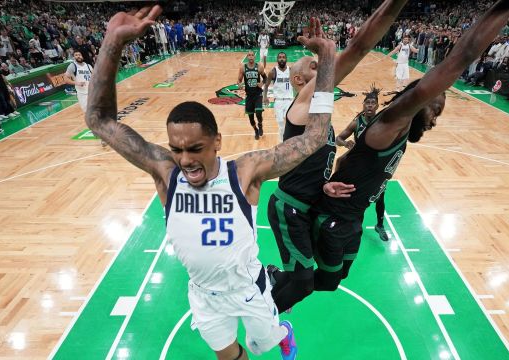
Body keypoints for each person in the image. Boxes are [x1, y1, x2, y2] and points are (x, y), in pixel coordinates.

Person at [85, 6, 336, 360]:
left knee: (263, 343)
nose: (185, 159)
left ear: (217, 141)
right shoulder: (167, 173)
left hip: (249, 289)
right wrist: (112, 43)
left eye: (195, 149)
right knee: (230, 356)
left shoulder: (244, 172)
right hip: (204, 296)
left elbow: (313, 138)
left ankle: (282, 330)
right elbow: (98, 119)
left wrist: (327, 58)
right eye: (177, 149)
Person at [309, 0, 509, 294]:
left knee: (338, 278)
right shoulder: (395, 119)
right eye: (435, 108)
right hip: (334, 216)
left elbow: (347, 162)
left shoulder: (397, 129)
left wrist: (334, 179)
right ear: (420, 100)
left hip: (353, 217)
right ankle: (273, 288)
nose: (436, 119)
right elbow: (462, 56)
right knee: (321, 282)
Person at [266, 0, 410, 315]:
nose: (323, 70)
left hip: (311, 204)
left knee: (325, 279)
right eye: (314, 67)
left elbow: (315, 167)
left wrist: (326, 185)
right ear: (300, 81)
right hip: (290, 206)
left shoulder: (321, 122)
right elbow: (357, 50)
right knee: (303, 282)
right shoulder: (301, 107)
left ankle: (273, 282)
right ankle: (262, 326)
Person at [333, 86, 389, 242]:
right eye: (367, 103)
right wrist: (346, 144)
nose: (370, 105)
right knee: (341, 165)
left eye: (373, 103)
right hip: (358, 162)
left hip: (375, 163)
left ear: (377, 106)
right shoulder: (357, 122)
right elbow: (338, 138)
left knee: (380, 195)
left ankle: (380, 224)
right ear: (363, 105)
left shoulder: (383, 122)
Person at [263, 52, 292, 142]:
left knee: (290, 122)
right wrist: (265, 97)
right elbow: (266, 85)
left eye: (283, 57)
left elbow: (297, 84)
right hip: (278, 101)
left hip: (289, 100)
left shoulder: (291, 70)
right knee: (280, 124)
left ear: (286, 59)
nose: (282, 59)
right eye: (280, 57)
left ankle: (290, 141)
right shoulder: (273, 72)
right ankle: (281, 142)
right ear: (277, 60)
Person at [238, 51, 266, 140]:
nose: (250, 57)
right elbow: (239, 80)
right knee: (251, 119)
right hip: (249, 95)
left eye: (252, 55)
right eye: (249, 55)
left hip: (258, 94)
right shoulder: (243, 67)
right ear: (247, 57)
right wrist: (239, 84)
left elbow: (265, 78)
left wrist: (261, 83)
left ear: (254, 57)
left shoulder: (259, 67)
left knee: (258, 112)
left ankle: (260, 124)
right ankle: (256, 130)